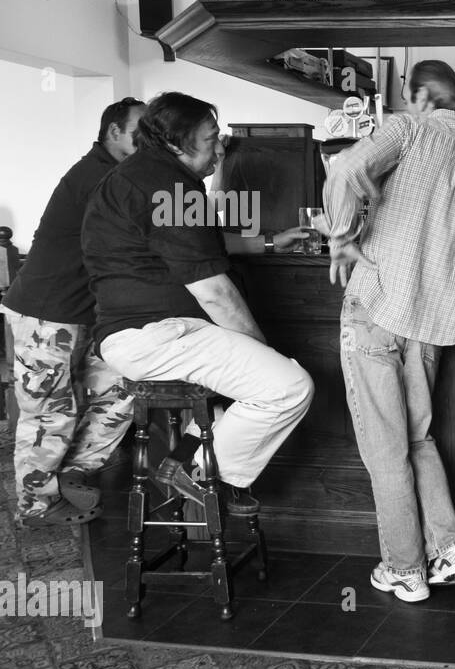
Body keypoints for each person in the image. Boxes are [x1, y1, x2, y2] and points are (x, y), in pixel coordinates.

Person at [320, 61, 455, 603]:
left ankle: (404, 568)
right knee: (417, 437)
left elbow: (343, 173)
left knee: (385, 448)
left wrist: (341, 236)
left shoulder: (405, 128)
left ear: (418, 95)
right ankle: (448, 550)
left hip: (376, 305)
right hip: (430, 322)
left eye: (406, 93)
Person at [82, 91, 315, 516]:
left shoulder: (151, 177)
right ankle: (199, 473)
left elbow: (198, 243)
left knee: (239, 386)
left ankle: (187, 457)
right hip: (155, 334)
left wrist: (268, 241)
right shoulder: (166, 186)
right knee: (288, 387)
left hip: (151, 333)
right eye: (211, 139)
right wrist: (262, 349)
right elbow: (215, 291)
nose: (221, 147)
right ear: (176, 142)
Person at [1, 98, 145, 526]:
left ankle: (74, 471)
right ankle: (36, 506)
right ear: (113, 132)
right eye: (141, 129)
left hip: (89, 316)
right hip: (46, 314)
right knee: (49, 413)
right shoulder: (100, 177)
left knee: (124, 388)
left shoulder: (122, 176)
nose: (149, 136)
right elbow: (156, 236)